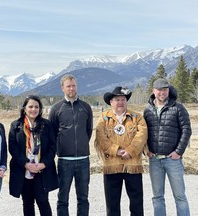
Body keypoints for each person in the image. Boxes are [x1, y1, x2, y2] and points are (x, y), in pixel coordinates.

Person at [95, 86, 147, 216]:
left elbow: (142, 136)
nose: (120, 102)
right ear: (111, 102)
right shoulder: (103, 118)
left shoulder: (137, 117)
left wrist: (130, 150)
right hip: (111, 165)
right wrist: (116, 151)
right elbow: (100, 137)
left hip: (132, 165)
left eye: (123, 99)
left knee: (136, 203)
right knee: (112, 205)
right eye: (117, 99)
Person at [143, 78, 192, 216]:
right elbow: (143, 133)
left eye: (165, 89)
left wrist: (178, 152)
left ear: (168, 91)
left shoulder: (178, 107)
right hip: (154, 160)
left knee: (180, 196)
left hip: (173, 160)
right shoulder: (148, 111)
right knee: (157, 197)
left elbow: (186, 130)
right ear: (153, 91)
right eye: (159, 89)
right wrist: (146, 150)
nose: (162, 92)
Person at [48, 74, 93, 216]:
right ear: (62, 88)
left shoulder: (86, 107)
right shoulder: (56, 109)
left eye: (73, 85)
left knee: (83, 198)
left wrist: (81, 145)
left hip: (83, 160)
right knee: (63, 198)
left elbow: (88, 130)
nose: (71, 88)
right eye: (68, 86)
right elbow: (52, 133)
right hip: (64, 161)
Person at [8, 95, 59, 216]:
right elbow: (12, 147)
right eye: (30, 106)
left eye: (36, 107)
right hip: (24, 170)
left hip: (41, 170)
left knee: (43, 201)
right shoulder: (16, 125)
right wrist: (25, 164)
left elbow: (52, 146)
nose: (33, 109)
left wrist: (43, 164)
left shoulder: (46, 125)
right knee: (27, 202)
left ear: (40, 109)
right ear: (24, 108)